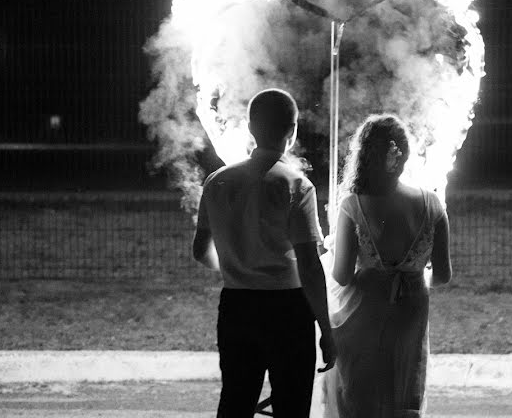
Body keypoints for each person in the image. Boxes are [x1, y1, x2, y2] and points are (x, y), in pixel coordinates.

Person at [192, 88, 336, 418]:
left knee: (235, 402)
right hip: (288, 310)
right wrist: (326, 331)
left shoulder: (216, 181)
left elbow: (200, 250)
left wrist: (235, 264)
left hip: (237, 306)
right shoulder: (296, 185)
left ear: (250, 127)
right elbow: (310, 266)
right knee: (291, 405)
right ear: (293, 130)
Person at [320, 114, 452, 417]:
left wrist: (330, 253)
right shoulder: (432, 204)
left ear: (365, 155)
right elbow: (443, 276)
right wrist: (413, 275)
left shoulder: (353, 205)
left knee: (361, 394)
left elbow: (341, 276)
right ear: (404, 155)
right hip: (411, 313)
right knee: (402, 391)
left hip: (363, 314)